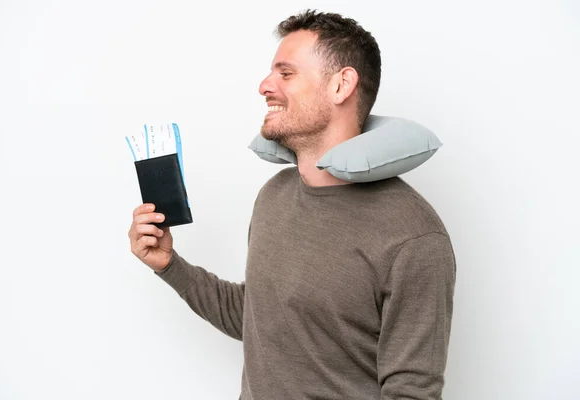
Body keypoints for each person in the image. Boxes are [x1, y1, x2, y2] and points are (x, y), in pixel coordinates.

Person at [128, 9, 456, 400]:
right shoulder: (274, 196)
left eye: (286, 73)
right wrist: (169, 265)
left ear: (341, 85)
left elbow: (411, 392)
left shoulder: (413, 237)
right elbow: (252, 316)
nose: (265, 85)